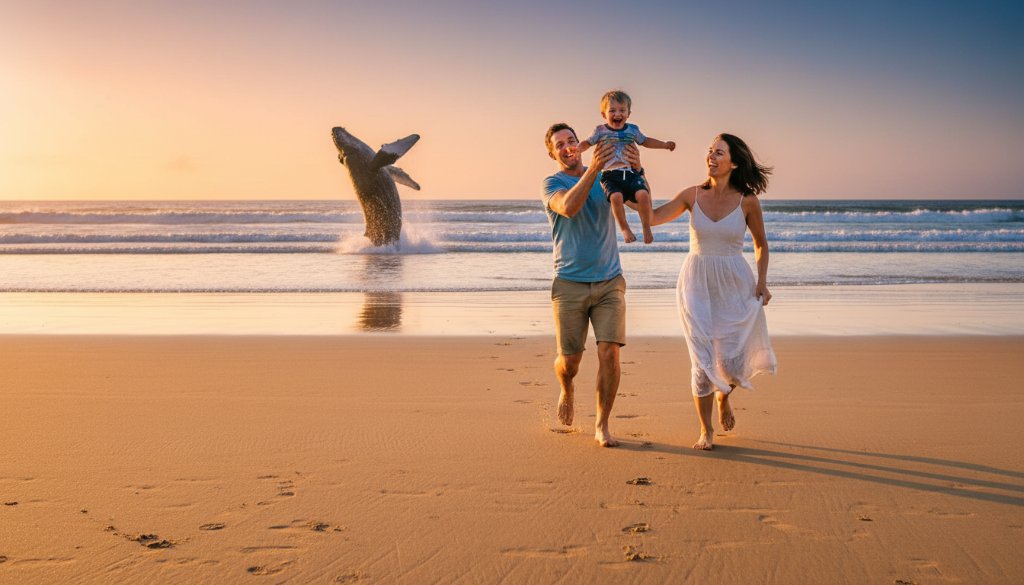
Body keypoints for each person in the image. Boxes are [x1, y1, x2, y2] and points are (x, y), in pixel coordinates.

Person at [650, 133, 777, 450]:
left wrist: (762, 281)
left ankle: (724, 397)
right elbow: (652, 218)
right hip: (696, 281)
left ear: (733, 162)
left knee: (733, 360)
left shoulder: (747, 201)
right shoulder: (691, 195)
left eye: (719, 152)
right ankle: (706, 431)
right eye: (709, 151)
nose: (711, 156)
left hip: (734, 281)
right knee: (702, 360)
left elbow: (760, 244)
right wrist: (627, 191)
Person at [541, 122, 639, 448]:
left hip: (610, 280)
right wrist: (594, 169)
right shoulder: (552, 183)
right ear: (552, 153)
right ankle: (567, 388)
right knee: (569, 364)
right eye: (560, 144)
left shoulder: (607, 175)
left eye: (572, 140)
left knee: (609, 353)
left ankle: (602, 423)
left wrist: (637, 170)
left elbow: (639, 202)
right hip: (569, 284)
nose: (568, 147)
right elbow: (568, 207)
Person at [578, 90, 675, 245]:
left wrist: (664, 145)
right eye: (612, 110)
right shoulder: (600, 131)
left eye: (622, 110)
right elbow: (587, 143)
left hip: (630, 172)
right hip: (610, 175)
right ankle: (624, 229)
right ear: (604, 114)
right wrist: (577, 149)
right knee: (616, 197)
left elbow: (645, 141)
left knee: (643, 194)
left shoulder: (633, 130)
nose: (617, 114)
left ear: (629, 113)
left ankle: (646, 227)